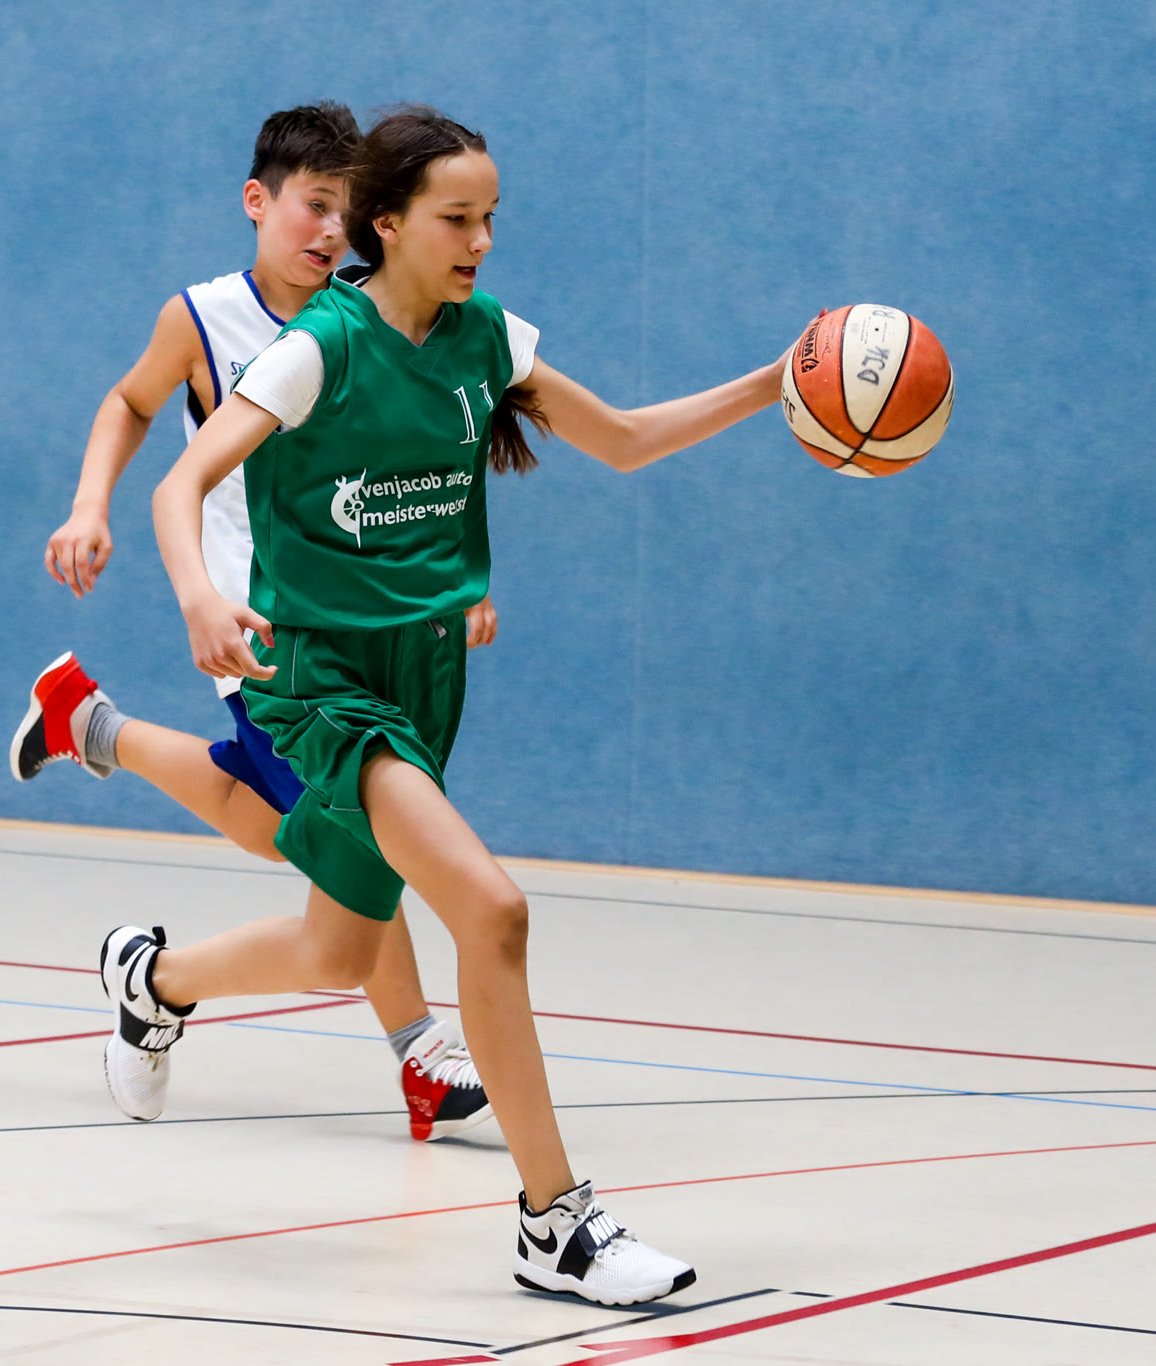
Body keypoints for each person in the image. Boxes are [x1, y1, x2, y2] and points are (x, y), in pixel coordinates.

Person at [106, 107, 794, 1306]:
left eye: (489, 220)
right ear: (386, 223)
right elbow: (181, 482)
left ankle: (151, 980)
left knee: (336, 946)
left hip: (424, 679)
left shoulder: (485, 340)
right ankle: (555, 1223)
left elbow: (625, 440)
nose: (479, 240)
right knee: (491, 908)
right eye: (456, 219)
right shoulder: (318, 348)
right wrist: (198, 596)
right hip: (322, 684)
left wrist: (773, 383)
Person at [15, 102, 489, 1141]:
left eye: (347, 211)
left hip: (357, 620)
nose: (330, 230)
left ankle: (90, 729)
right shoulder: (202, 319)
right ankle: (418, 1050)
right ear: (256, 202)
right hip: (259, 623)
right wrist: (90, 504)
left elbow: (417, 464)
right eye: (313, 205)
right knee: (357, 832)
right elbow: (130, 404)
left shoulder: (373, 313)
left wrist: (454, 580)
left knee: (297, 834)